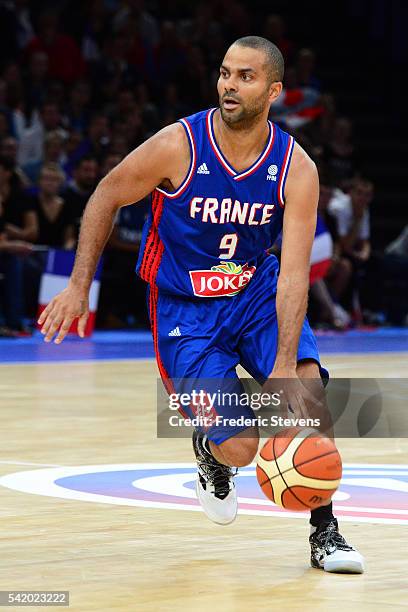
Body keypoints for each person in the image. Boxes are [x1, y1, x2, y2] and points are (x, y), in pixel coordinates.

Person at [38, 36, 364, 573]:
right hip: (186, 311)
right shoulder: (178, 146)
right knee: (241, 444)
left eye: (245, 77)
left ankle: (325, 533)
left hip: (255, 293)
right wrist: (77, 285)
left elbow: (294, 274)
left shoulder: (295, 168)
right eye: (224, 74)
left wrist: (285, 367)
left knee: (307, 394)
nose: (229, 86)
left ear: (274, 91)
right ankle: (212, 453)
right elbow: (105, 195)